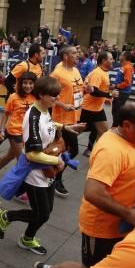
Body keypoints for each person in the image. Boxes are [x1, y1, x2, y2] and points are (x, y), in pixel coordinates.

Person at [33, 102, 135, 268]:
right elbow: (93, 192)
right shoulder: (111, 151)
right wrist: (127, 213)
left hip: (124, 224)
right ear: (127, 125)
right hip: (102, 228)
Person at [0, 76, 84, 255]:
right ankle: (6, 217)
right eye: (54, 96)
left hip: (46, 171)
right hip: (34, 172)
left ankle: (27, 238)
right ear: (42, 95)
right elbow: (32, 154)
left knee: (46, 210)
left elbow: (48, 123)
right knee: (41, 213)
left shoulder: (44, 110)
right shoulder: (33, 116)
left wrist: (65, 127)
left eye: (57, 95)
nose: (57, 99)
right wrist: (57, 160)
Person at [50, 45, 84, 197]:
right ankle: (55, 178)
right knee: (72, 149)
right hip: (61, 119)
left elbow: (77, 88)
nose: (78, 55)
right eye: (74, 53)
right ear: (65, 56)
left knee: (61, 150)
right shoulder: (58, 73)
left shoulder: (76, 70)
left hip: (74, 116)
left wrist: (87, 89)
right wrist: (62, 105)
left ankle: (50, 173)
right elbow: (47, 93)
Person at [0, 71, 37, 184]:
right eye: (25, 83)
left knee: (10, 155)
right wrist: (1, 130)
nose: (28, 86)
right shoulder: (14, 97)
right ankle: (20, 188)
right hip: (14, 131)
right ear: (20, 84)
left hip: (27, 132)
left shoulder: (35, 97)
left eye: (31, 83)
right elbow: (6, 114)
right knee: (22, 161)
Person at [80, 51, 118, 154]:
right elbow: (93, 92)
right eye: (110, 59)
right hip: (88, 108)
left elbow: (100, 89)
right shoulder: (97, 73)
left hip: (97, 109)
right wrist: (109, 95)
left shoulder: (104, 71)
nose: (113, 60)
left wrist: (106, 98)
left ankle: (98, 152)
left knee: (103, 131)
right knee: (77, 130)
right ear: (104, 61)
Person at [111, 51, 134, 127]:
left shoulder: (128, 67)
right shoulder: (124, 66)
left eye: (121, 55)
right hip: (120, 91)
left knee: (117, 111)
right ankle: (115, 126)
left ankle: (116, 127)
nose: (119, 56)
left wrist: (117, 86)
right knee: (115, 110)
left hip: (123, 92)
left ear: (125, 57)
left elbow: (127, 82)